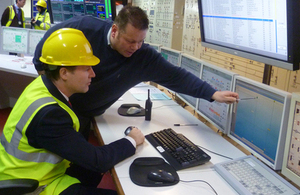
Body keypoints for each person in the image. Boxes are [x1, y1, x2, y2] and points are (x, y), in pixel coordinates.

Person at [33, 5, 239, 139]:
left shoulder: (143, 58)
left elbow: (176, 76)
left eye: (140, 41)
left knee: (85, 168)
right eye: (130, 41)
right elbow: (47, 43)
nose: (135, 47)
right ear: (114, 30)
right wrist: (50, 88)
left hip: (87, 115)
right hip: (60, 110)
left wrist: (212, 94)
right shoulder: (83, 29)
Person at [0, 28, 144, 195]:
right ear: (64, 73)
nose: (93, 74)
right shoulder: (49, 115)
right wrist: (131, 140)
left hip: (25, 172)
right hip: (35, 186)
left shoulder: (41, 85)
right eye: (87, 69)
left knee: (95, 168)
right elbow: (98, 160)